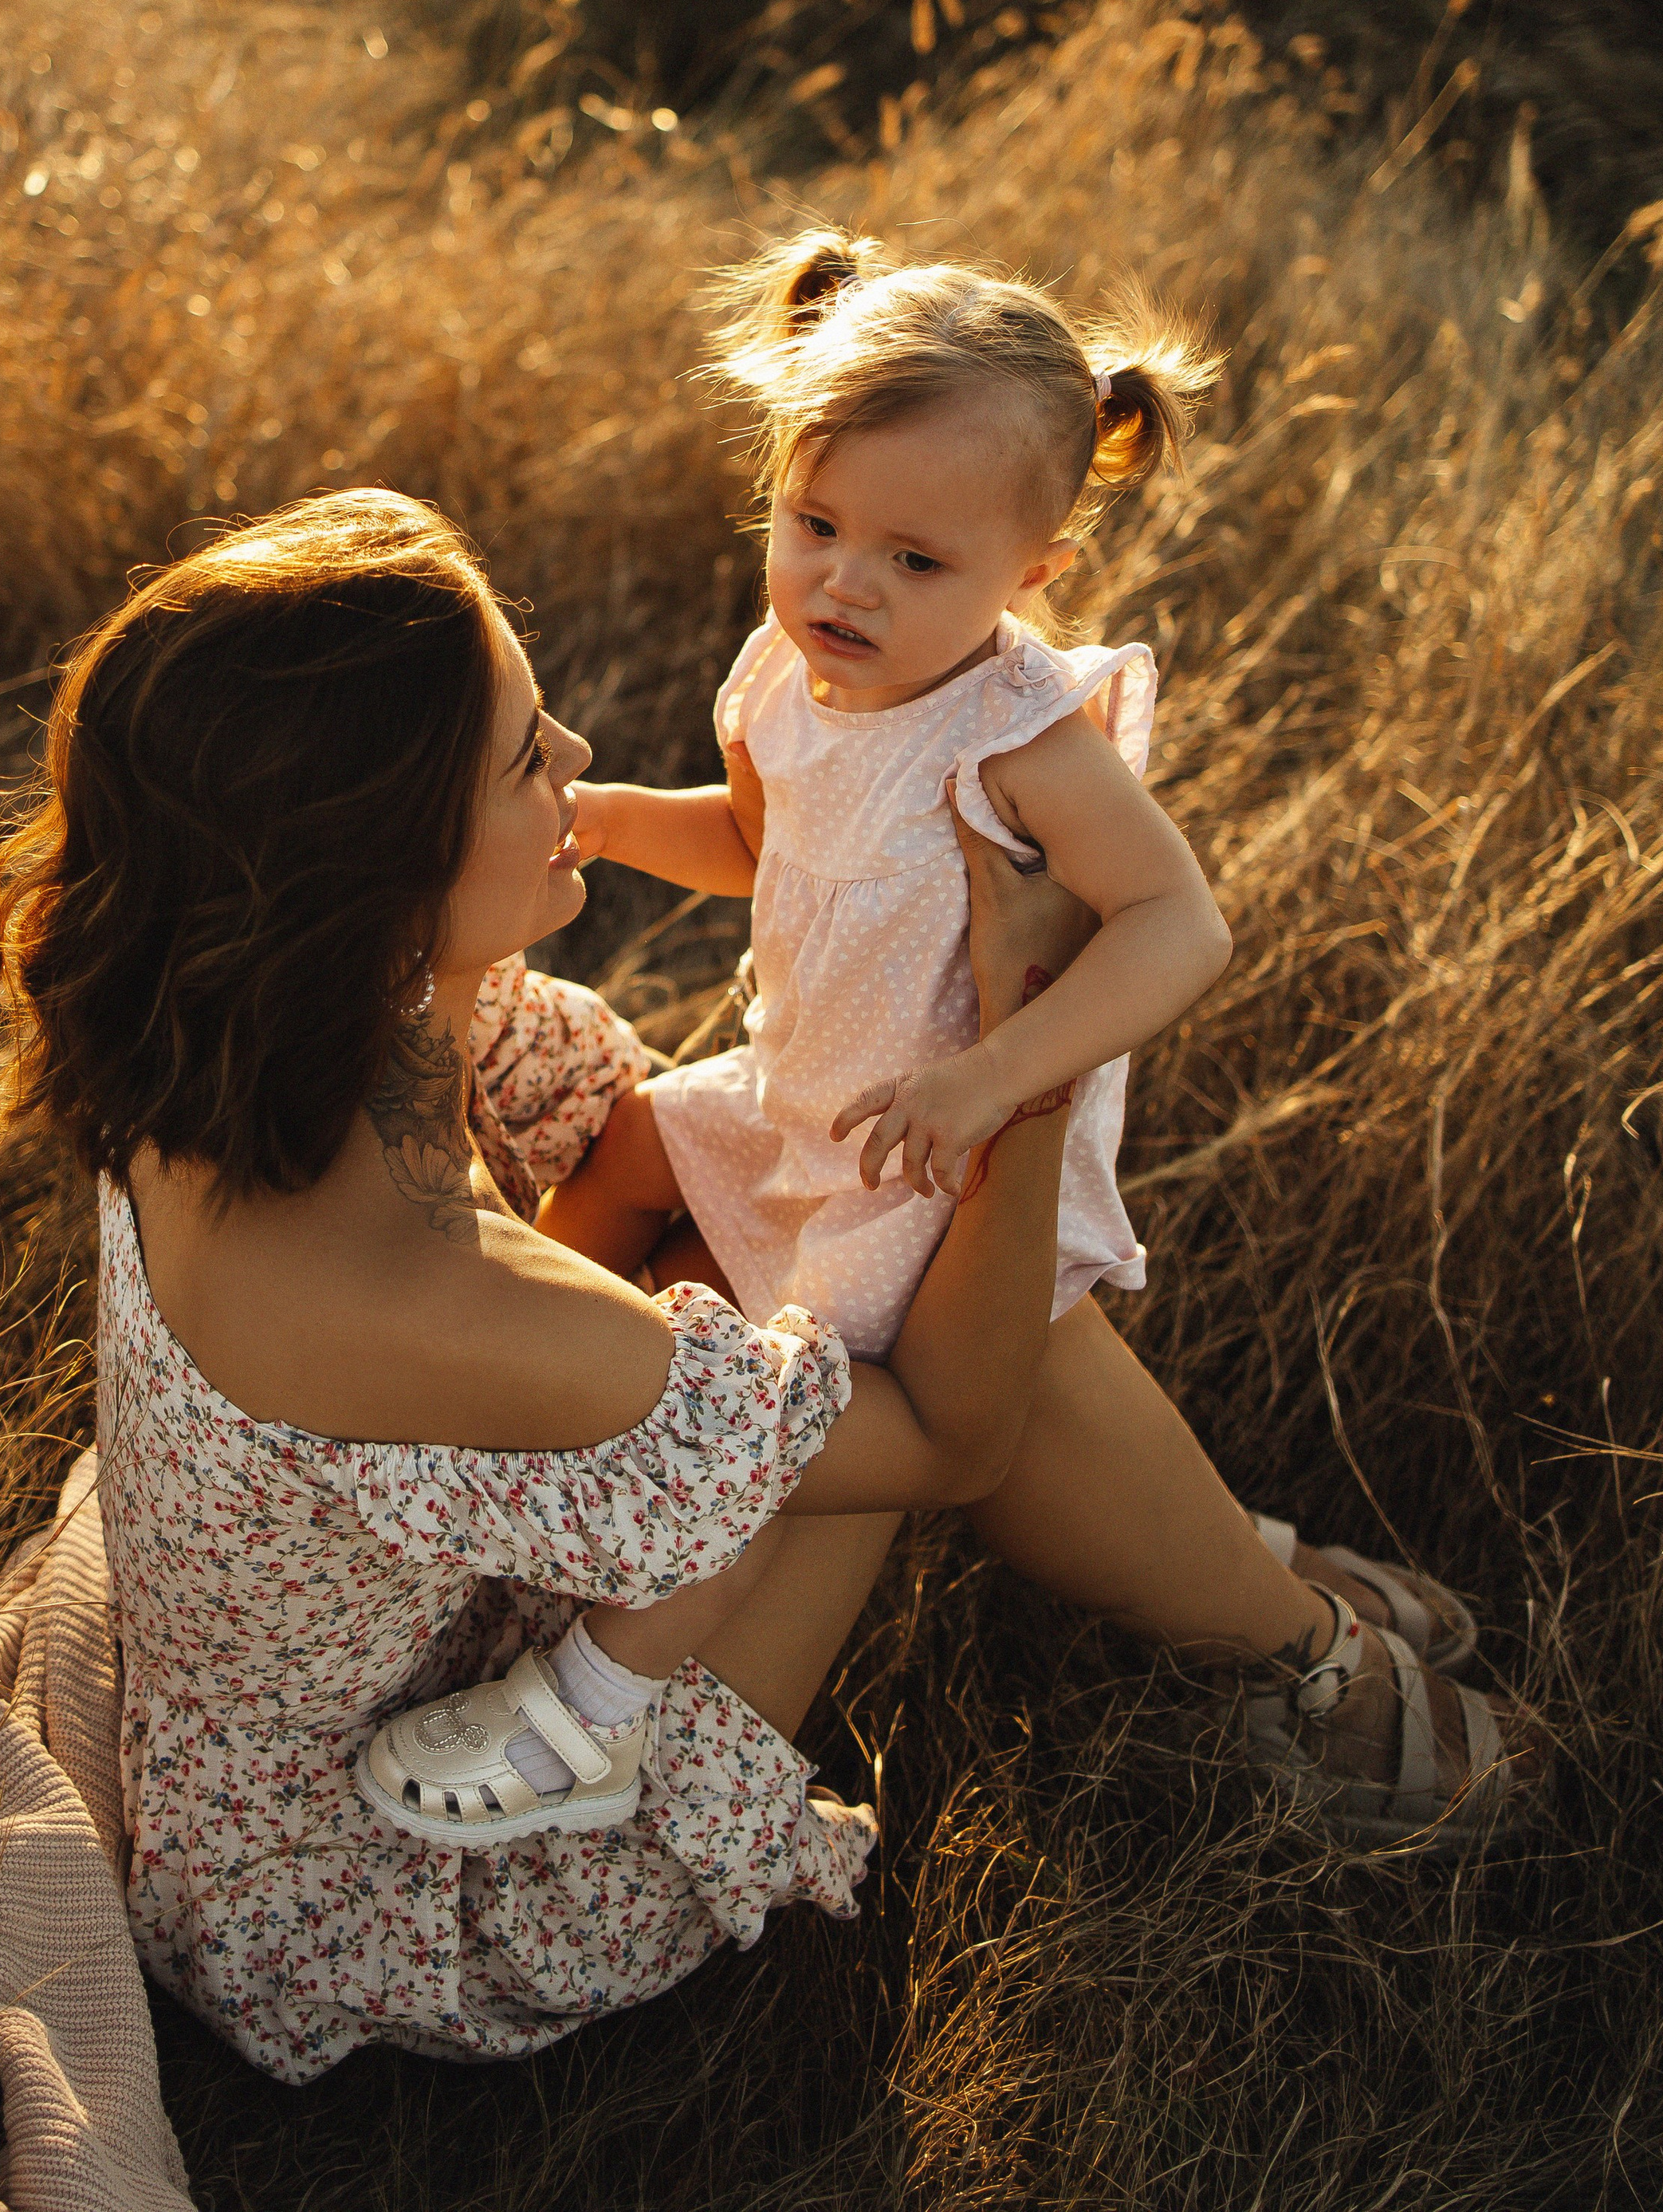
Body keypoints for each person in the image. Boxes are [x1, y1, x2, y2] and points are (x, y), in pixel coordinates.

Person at [371, 232, 1532, 1852]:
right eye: (813, 525)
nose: (845, 583)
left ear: (1027, 575)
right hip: (809, 1101)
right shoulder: (788, 670)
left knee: (813, 1392)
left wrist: (997, 1075)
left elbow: (1175, 922)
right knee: (636, 1147)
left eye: (915, 562)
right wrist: (635, 820)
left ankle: (602, 1700)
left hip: (942, 1147)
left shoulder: (1012, 729)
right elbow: (761, 843)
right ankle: (526, 1413)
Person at [0, 486, 1093, 2079]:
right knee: (870, 1328)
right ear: (368, 868)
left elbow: (662, 1146)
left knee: (784, 1231)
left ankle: (1261, 1606)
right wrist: (1024, 1054)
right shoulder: (426, 1284)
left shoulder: (220, 1025)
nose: (575, 759)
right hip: (388, 1883)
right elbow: (950, 1442)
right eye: (522, 754)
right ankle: (1282, 1637)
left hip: (325, 1684)